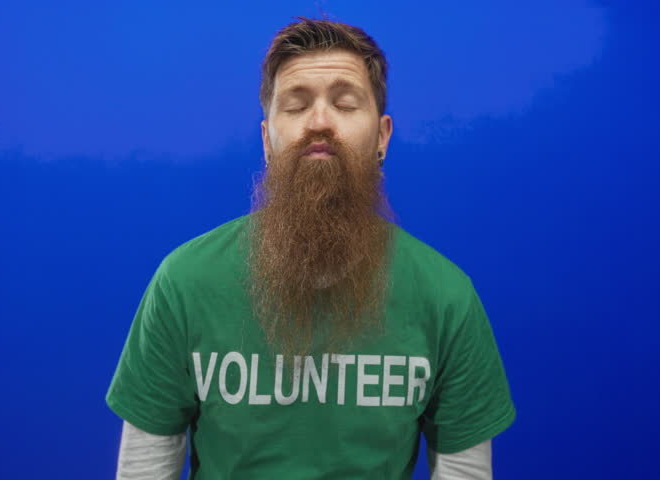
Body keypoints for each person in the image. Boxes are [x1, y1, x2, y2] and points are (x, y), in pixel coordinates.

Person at [106, 16, 516, 479]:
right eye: (296, 106)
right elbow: (143, 471)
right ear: (267, 139)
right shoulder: (183, 283)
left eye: (344, 103)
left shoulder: (447, 298)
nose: (320, 122)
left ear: (382, 137)